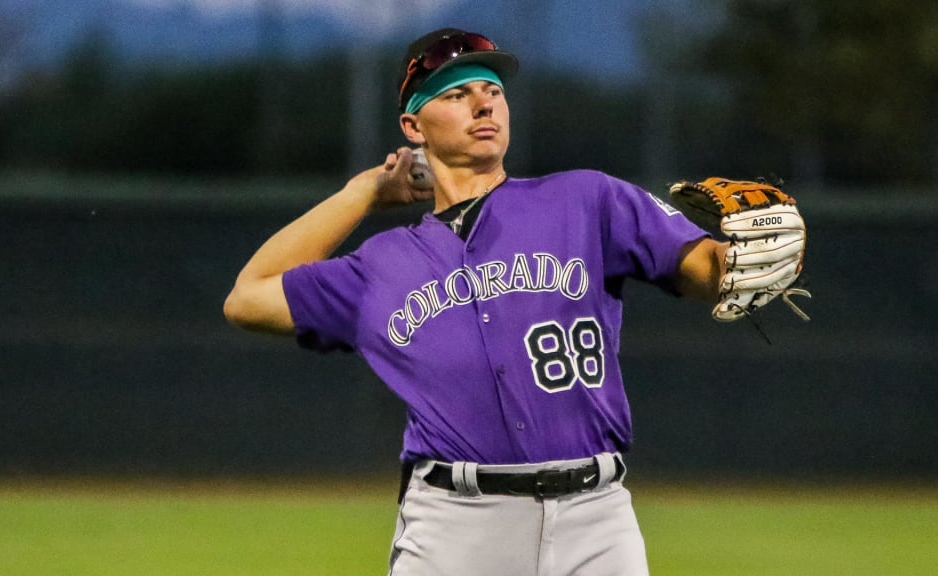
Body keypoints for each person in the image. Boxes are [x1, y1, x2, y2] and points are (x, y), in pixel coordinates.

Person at [224, 28, 774, 576]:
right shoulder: (380, 267)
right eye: (456, 94)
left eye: (492, 89)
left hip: (596, 517)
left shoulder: (585, 199)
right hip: (455, 525)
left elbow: (705, 267)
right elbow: (248, 298)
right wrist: (362, 193)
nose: (483, 101)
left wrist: (756, 260)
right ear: (413, 126)